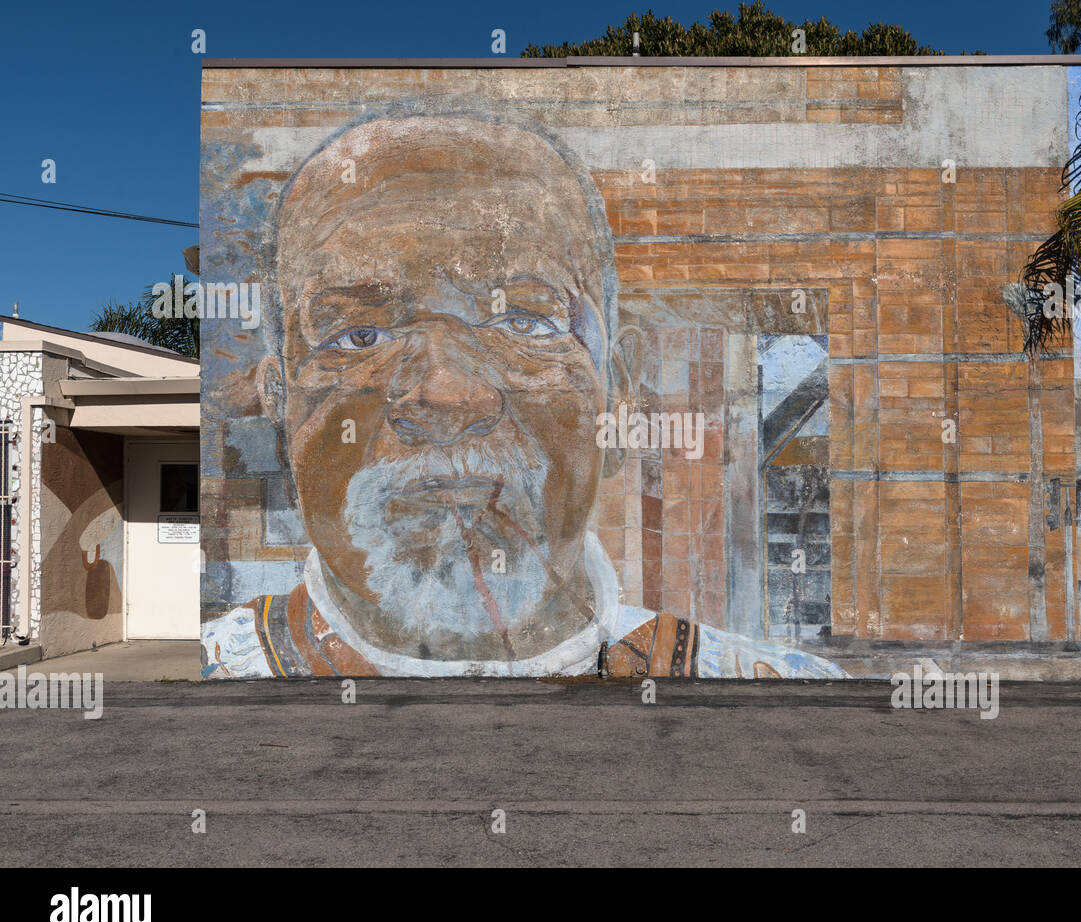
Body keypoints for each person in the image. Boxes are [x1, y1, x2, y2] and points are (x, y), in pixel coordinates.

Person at [201, 109, 845, 680]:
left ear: (616, 402)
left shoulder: (793, 699)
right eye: (357, 335)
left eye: (524, 322)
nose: (446, 395)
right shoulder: (220, 679)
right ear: (282, 408)